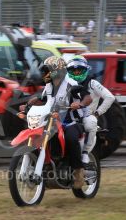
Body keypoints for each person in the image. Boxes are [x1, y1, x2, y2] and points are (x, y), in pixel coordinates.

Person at [19, 56, 92, 189]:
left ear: (57, 71)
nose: (44, 74)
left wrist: (80, 104)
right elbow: (42, 100)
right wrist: (28, 105)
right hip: (53, 121)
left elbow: (88, 97)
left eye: (47, 71)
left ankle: (78, 171)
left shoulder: (71, 84)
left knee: (70, 137)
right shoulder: (49, 86)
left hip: (72, 122)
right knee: (42, 135)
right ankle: (47, 164)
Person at [66, 55, 115, 164]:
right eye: (73, 70)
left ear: (86, 70)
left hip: (86, 116)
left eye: (79, 70)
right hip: (67, 116)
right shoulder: (65, 84)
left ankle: (85, 153)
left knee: (91, 122)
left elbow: (110, 97)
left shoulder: (93, 83)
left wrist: (97, 113)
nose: (77, 73)